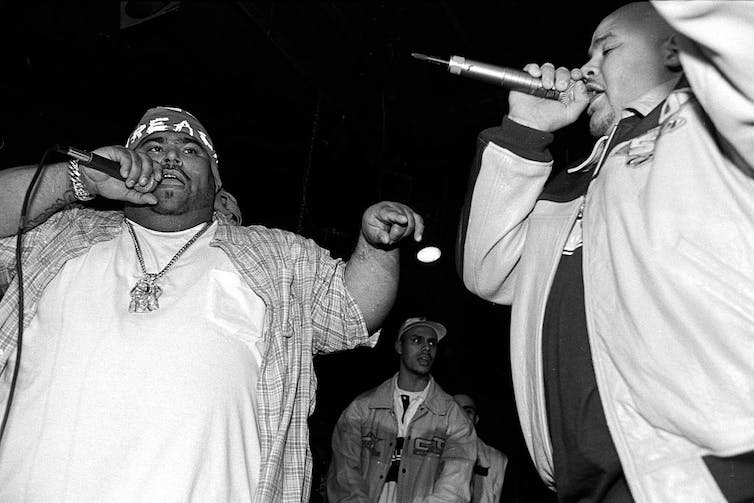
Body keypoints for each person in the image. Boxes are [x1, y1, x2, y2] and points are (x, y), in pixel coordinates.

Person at [0, 106, 425, 503]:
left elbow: (354, 311)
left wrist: (376, 247)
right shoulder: (61, 232)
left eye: (190, 150)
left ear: (217, 180)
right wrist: (80, 178)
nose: (170, 156)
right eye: (153, 147)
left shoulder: (275, 255)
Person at [458, 2, 754, 502]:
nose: (585, 67)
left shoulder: (710, 128)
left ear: (677, 50)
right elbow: (488, 273)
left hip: (708, 471)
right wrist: (527, 129)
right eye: (587, 53)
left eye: (608, 47)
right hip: (586, 484)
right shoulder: (572, 182)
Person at [327, 317, 477, 502]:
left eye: (432, 343)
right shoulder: (362, 409)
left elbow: (454, 487)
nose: (426, 348)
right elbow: (344, 476)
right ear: (399, 346)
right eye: (417, 340)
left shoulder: (453, 417)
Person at [453, 393, 509, 503]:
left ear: (476, 419)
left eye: (468, 411)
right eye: (456, 410)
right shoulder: (430, 451)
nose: (462, 416)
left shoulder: (496, 459)